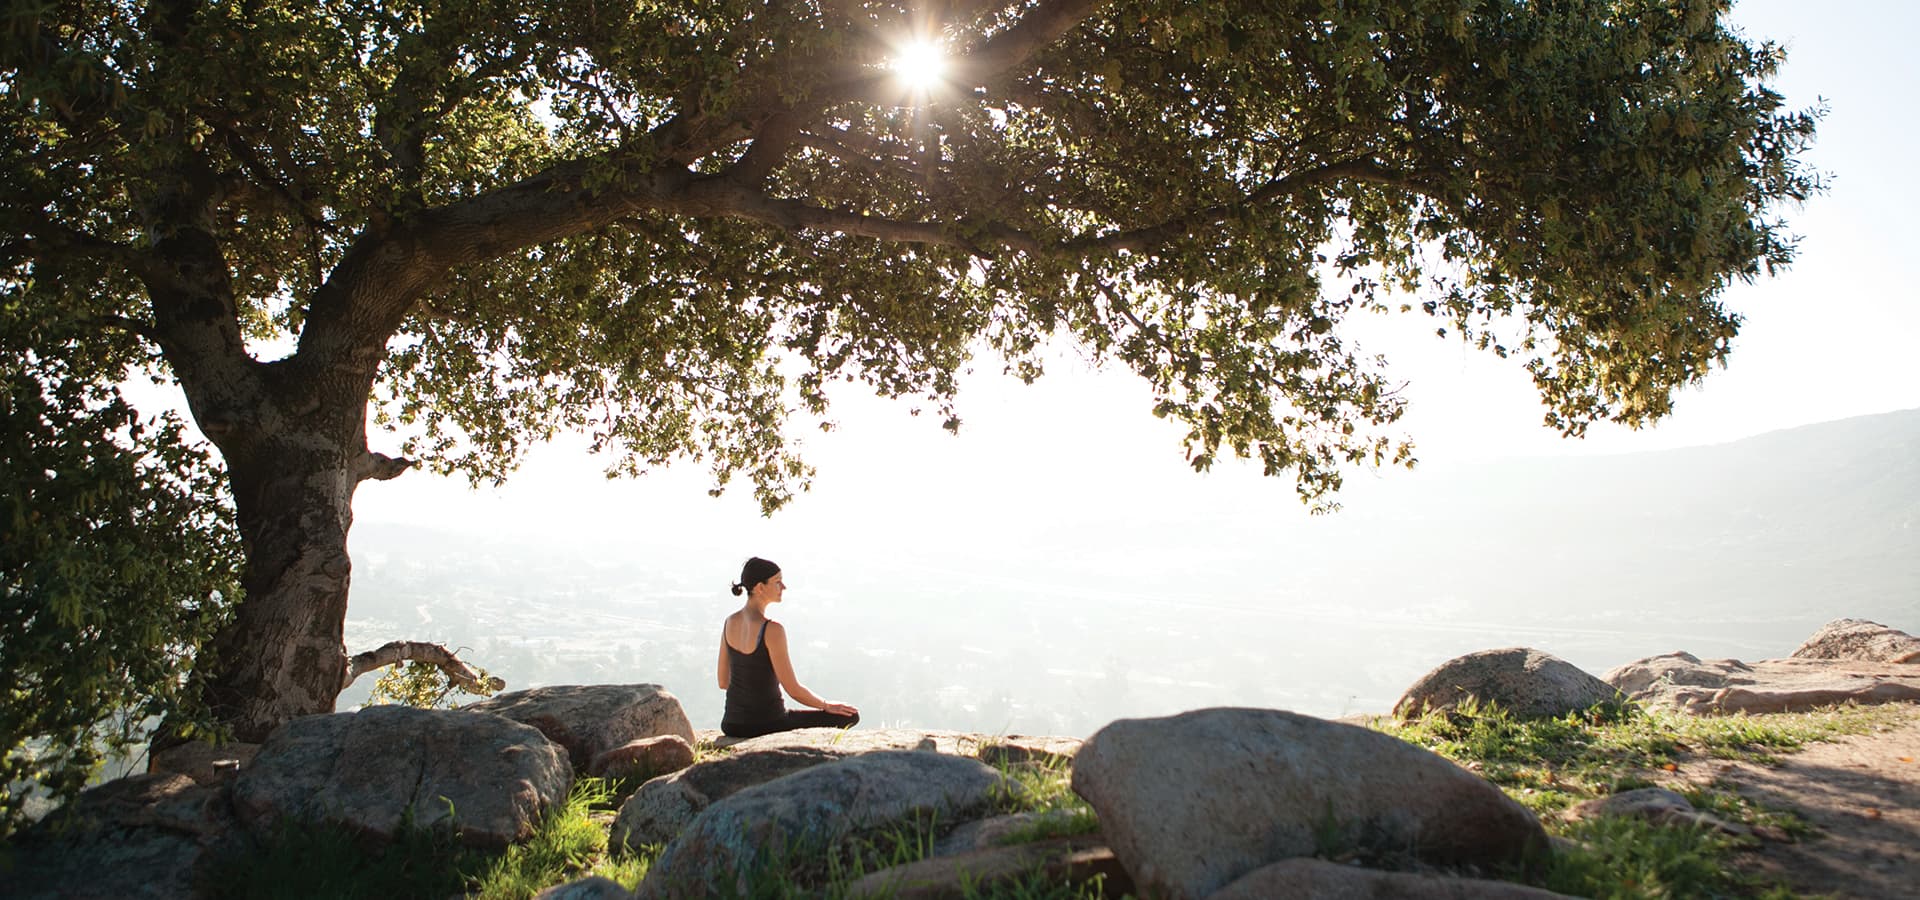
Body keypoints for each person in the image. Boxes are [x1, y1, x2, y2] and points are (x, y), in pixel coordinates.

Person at [717, 557, 860, 738]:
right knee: (850, 716)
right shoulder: (772, 629)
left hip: (732, 724)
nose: (783, 587)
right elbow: (793, 689)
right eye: (777, 582)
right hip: (769, 723)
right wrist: (826, 705)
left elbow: (723, 682)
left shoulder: (729, 622)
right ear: (760, 587)